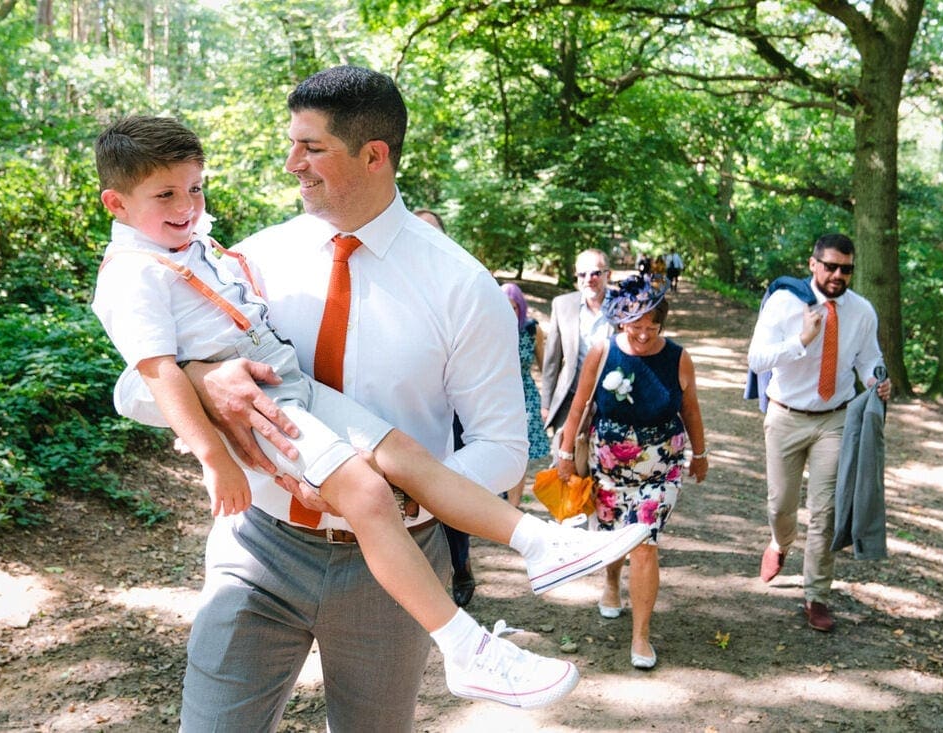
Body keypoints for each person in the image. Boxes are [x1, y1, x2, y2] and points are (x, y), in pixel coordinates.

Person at [95, 113, 650, 725]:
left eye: (310, 147)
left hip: (395, 560)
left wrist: (396, 504)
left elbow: (501, 446)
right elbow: (138, 384)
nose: (291, 163)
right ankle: (467, 646)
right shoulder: (249, 255)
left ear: (373, 154)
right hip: (260, 548)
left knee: (399, 459)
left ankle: (541, 544)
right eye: (292, 145)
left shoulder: (462, 284)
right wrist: (207, 390)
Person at [555, 275, 709, 670]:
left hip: (662, 468)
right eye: (635, 326)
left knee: (643, 542)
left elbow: (691, 408)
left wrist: (700, 453)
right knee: (613, 537)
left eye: (651, 327)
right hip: (609, 468)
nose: (642, 335)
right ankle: (611, 583)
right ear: (621, 322)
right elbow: (579, 405)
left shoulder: (678, 358)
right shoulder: (603, 351)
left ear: (661, 323)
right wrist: (565, 453)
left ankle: (641, 635)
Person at [747, 233, 891, 632]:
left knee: (826, 511)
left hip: (835, 419)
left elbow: (869, 358)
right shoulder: (783, 302)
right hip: (786, 415)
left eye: (846, 269)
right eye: (830, 266)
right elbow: (757, 359)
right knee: (780, 505)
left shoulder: (862, 311)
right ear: (813, 264)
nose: (838, 275)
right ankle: (779, 543)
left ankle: (817, 595)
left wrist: (876, 380)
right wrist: (801, 340)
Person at [414, 206, 475, 607]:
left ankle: (460, 563)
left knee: (449, 488)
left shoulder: (460, 287)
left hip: (453, 411)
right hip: (406, 410)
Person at [540, 249, 613, 442]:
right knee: (563, 453)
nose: (588, 279)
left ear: (608, 274)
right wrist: (546, 403)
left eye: (595, 273)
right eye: (582, 274)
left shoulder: (623, 306)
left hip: (612, 400)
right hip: (570, 398)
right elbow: (552, 360)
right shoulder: (562, 305)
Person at [501, 283, 550, 506]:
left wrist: (549, 402)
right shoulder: (488, 330)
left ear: (520, 308)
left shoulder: (531, 330)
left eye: (513, 307)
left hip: (525, 397)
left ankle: (514, 505)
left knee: (519, 451)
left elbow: (545, 367)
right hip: (497, 396)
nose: (508, 312)